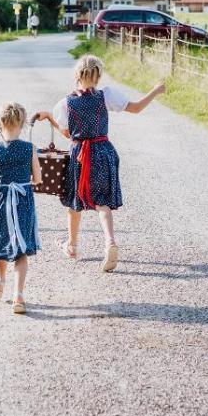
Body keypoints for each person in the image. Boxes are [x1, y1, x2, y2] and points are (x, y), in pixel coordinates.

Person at [34, 55, 165, 272]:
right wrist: (155, 90)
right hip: (103, 152)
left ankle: (72, 246)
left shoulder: (65, 104)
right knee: (102, 201)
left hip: (80, 156)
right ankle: (110, 242)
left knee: (75, 201)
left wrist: (49, 117)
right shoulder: (106, 96)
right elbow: (135, 108)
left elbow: (68, 134)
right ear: (98, 76)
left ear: (77, 75)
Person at [0, 102, 42, 313]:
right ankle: (18, 296)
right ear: (21, 124)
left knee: (2, 241)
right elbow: (38, 178)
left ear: (0, 124)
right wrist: (27, 181)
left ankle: (0, 283)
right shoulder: (29, 148)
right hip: (22, 201)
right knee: (21, 249)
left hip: (1, 201)